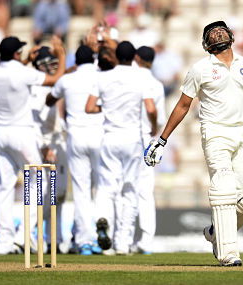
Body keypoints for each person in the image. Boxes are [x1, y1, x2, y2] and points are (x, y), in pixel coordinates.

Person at [144, 21, 243, 266]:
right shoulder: (200, 69)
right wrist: (162, 139)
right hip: (215, 133)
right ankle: (228, 254)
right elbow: (182, 105)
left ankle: (215, 233)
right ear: (206, 44)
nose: (218, 32)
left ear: (232, 36)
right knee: (223, 189)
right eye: (212, 32)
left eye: (222, 29)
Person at [0, 35, 65, 254]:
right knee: (39, 182)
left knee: (4, 187)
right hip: (22, 133)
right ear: (16, 54)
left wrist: (24, 61)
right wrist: (60, 53)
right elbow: (55, 79)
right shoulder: (23, 73)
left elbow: (13, 72)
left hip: (1, 134)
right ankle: (23, 235)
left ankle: (4, 243)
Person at [85, 41, 157, 255]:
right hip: (132, 139)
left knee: (107, 188)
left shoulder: (102, 77)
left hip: (109, 138)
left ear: (117, 55)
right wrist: (154, 127)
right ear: (133, 56)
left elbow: (89, 107)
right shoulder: (140, 77)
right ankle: (123, 242)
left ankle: (103, 218)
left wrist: (106, 107)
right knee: (130, 189)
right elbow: (151, 108)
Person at [46, 45, 104, 255]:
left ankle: (84, 240)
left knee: (81, 192)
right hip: (99, 137)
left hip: (76, 138)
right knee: (101, 190)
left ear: (76, 62)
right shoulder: (101, 75)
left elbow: (49, 98)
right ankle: (100, 237)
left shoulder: (67, 79)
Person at [30, 46, 68, 254]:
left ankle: (56, 239)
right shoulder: (37, 89)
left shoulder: (53, 87)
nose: (54, 67)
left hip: (57, 142)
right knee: (46, 194)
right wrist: (44, 146)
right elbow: (35, 122)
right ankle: (28, 234)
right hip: (43, 146)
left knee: (59, 194)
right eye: (49, 64)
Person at [131, 46, 165, 254]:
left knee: (121, 189)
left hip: (122, 135)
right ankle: (145, 241)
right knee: (145, 192)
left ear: (137, 58)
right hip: (145, 138)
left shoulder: (129, 78)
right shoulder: (156, 84)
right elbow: (159, 119)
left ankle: (122, 240)